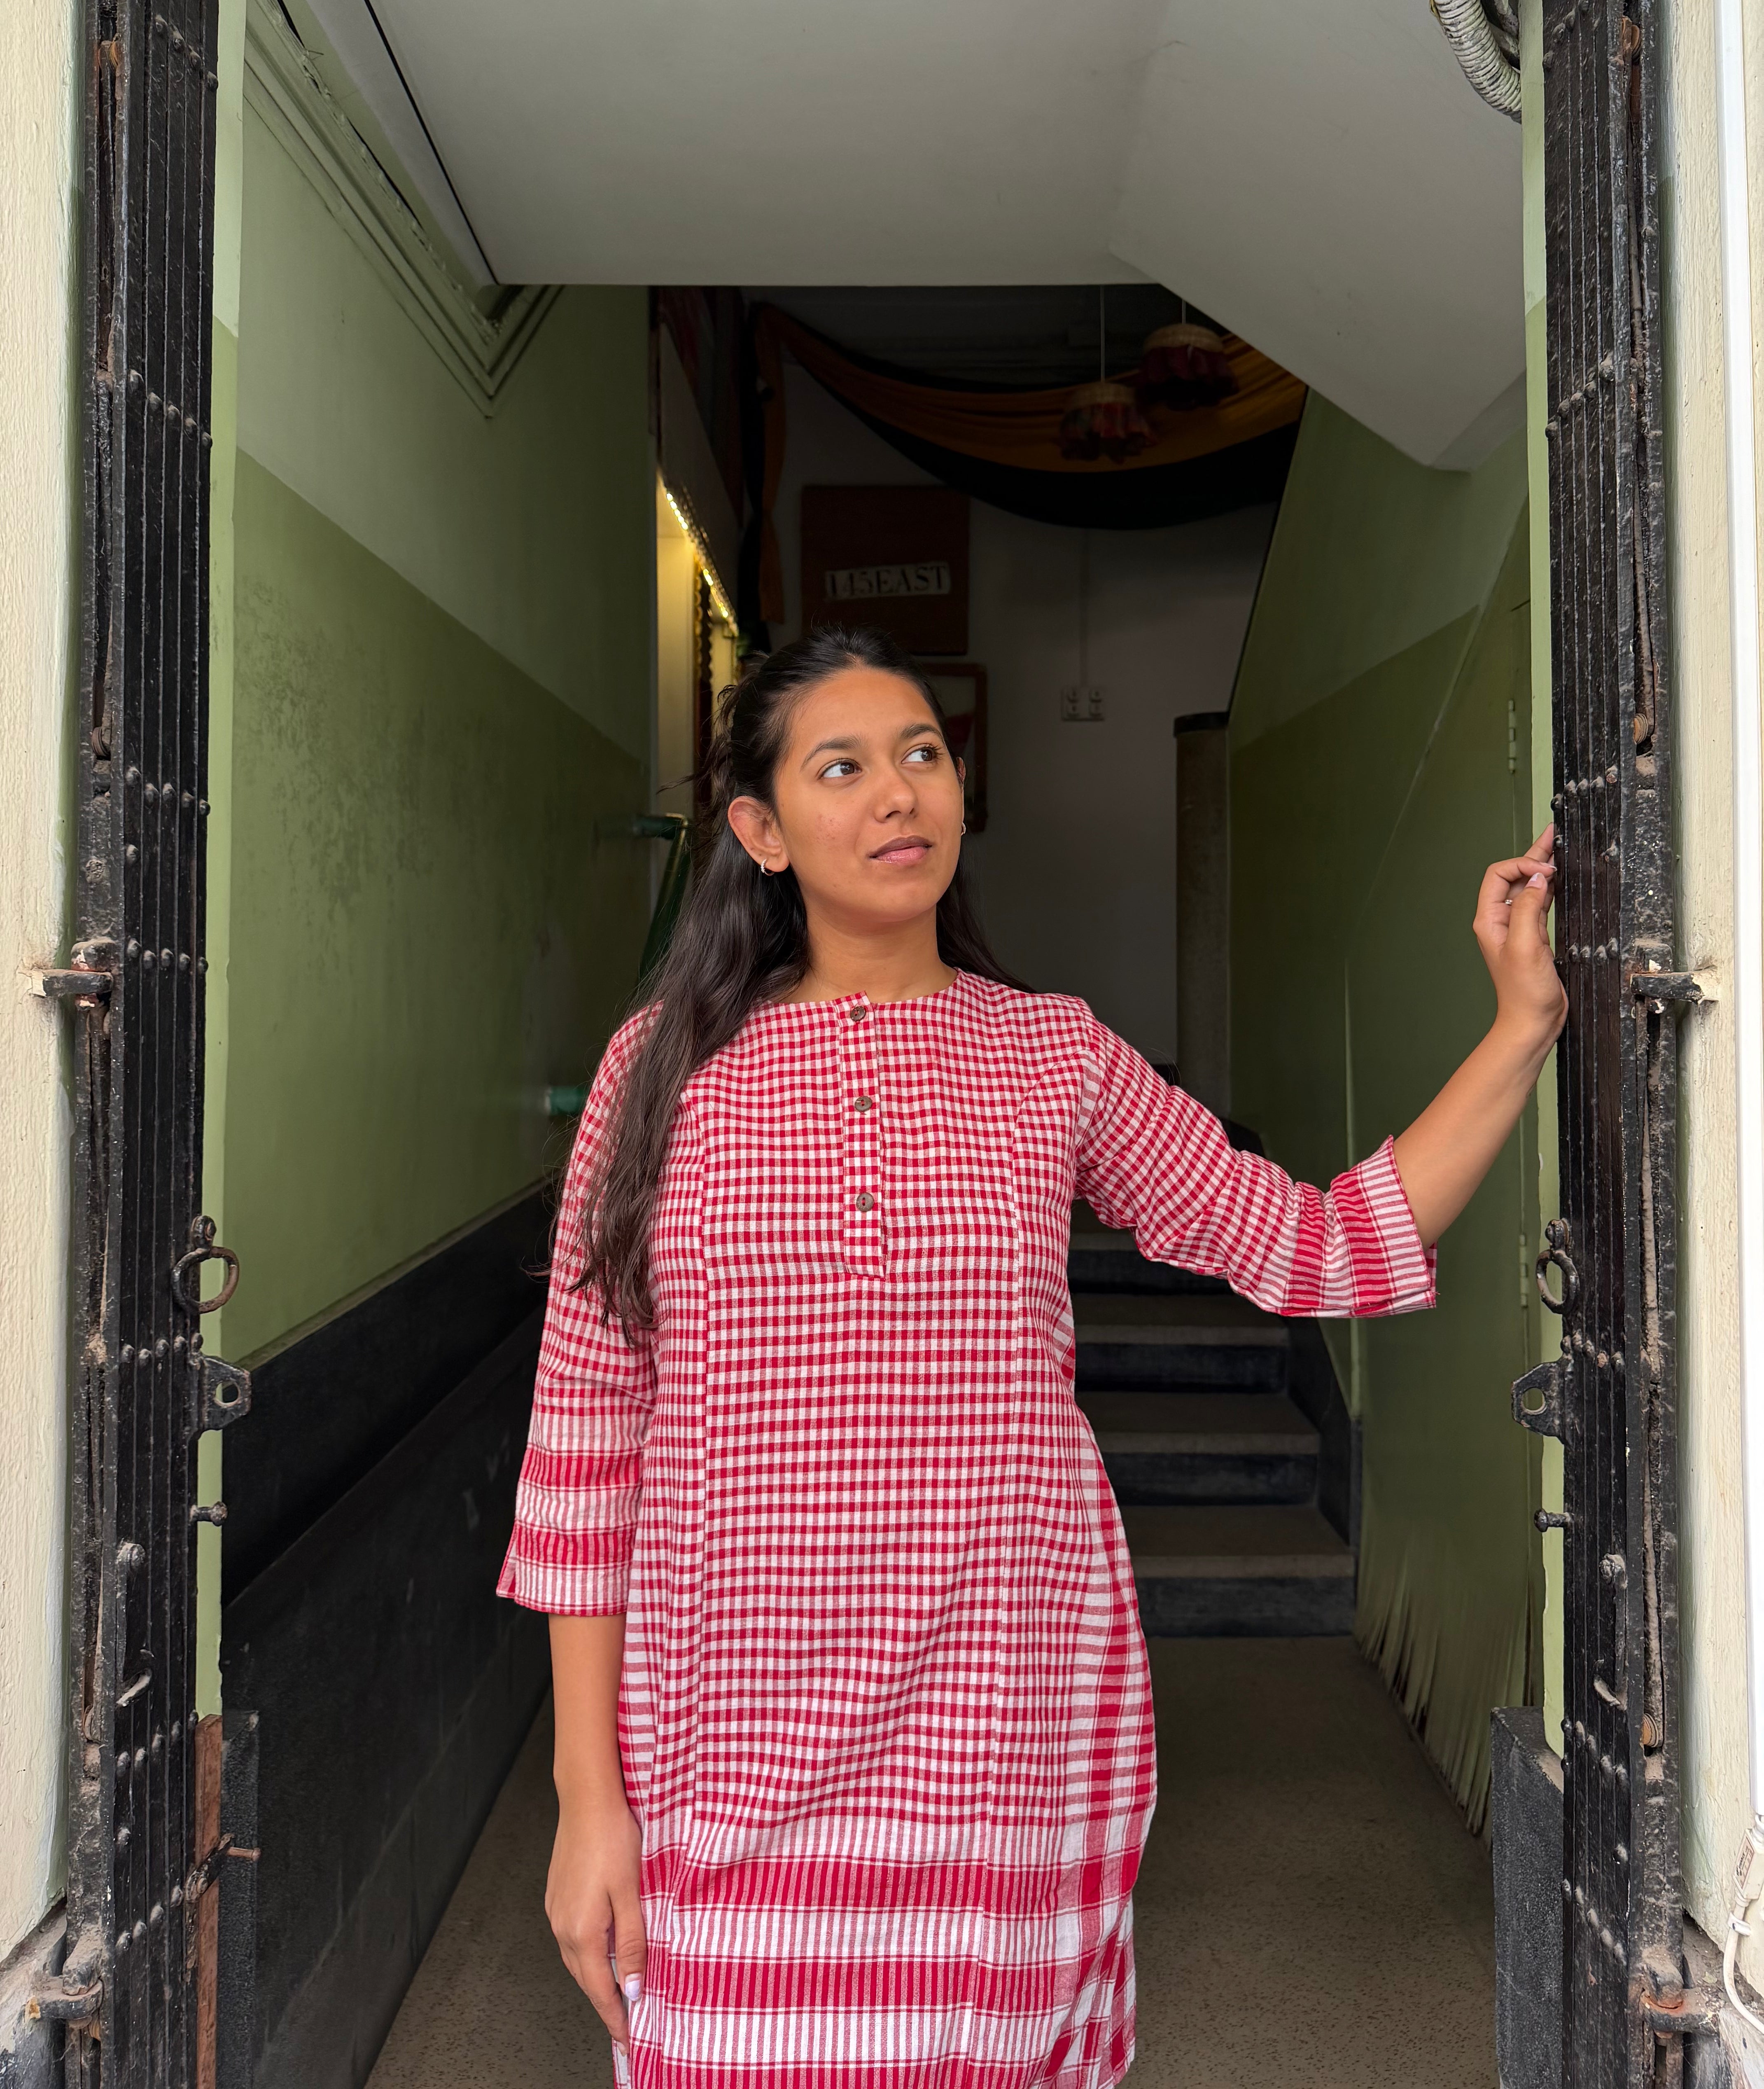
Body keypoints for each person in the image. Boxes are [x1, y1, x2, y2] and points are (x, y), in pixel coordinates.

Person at [497, 624, 1566, 2089]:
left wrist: (1522, 1025)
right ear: (758, 829)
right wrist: (582, 1796)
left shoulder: (1049, 1054)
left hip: (1000, 1721)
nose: (898, 794)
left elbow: (1312, 1246)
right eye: (844, 767)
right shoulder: (659, 1074)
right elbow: (582, 1448)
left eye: (923, 755)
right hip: (722, 1741)